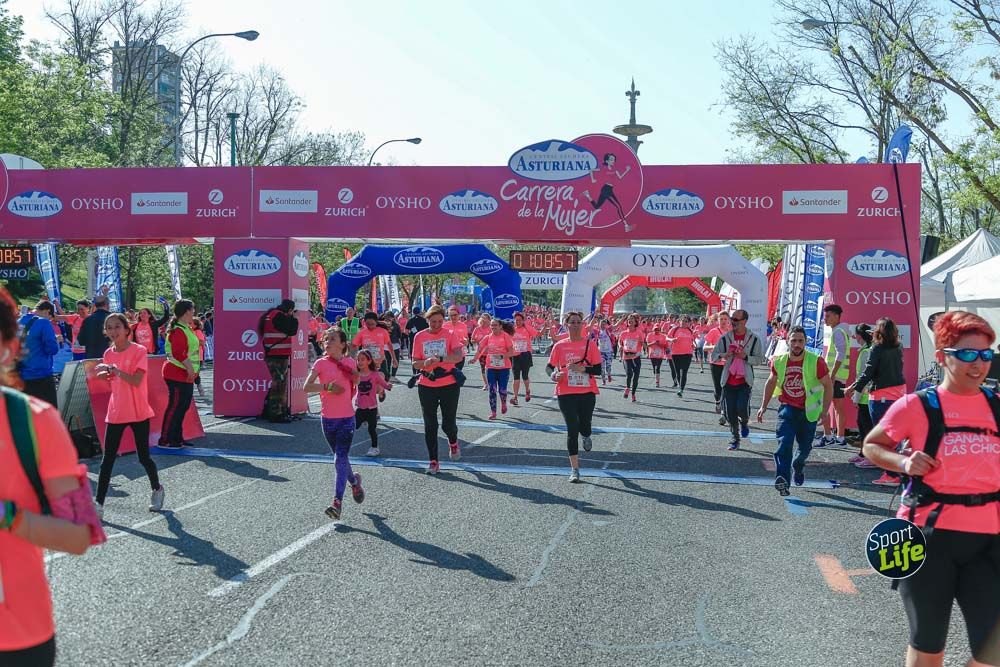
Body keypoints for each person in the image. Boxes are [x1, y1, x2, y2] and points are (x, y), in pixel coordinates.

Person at [862, 311, 1000, 667]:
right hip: (928, 537)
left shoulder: (997, 407)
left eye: (986, 355)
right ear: (942, 357)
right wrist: (905, 463)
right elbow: (872, 445)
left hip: (989, 541)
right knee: (928, 645)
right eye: (968, 354)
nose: (979, 364)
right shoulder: (917, 405)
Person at [0, 287, 99, 667]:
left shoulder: (36, 422)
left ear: (8, 350)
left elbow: (76, 535)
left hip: (15, 637)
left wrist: (8, 516)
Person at [93, 313, 164, 517]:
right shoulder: (108, 354)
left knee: (144, 457)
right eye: (109, 327)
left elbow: (135, 381)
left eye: (117, 327)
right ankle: (99, 504)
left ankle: (157, 489)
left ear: (127, 329)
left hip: (138, 411)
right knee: (107, 460)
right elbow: (112, 380)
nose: (113, 331)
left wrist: (115, 371)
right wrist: (106, 374)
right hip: (116, 411)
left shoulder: (139, 350)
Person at [755, 326, 833, 496]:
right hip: (787, 410)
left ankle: (798, 466)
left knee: (804, 450)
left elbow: (828, 385)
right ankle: (783, 479)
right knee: (784, 445)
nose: (797, 344)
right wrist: (763, 406)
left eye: (800, 341)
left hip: (809, 412)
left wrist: (825, 410)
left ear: (805, 342)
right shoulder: (779, 361)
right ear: (788, 341)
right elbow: (771, 382)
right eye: (794, 340)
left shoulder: (816, 361)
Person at [304, 328, 364, 521]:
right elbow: (306, 387)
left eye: (332, 339)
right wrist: (327, 387)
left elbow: (358, 380)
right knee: (341, 459)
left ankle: (337, 502)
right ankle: (354, 482)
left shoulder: (349, 362)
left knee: (339, 458)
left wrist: (357, 373)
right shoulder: (320, 363)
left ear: (342, 344)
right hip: (327, 419)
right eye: (325, 340)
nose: (327, 342)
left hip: (347, 418)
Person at [846, 317, 908, 486]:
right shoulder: (898, 346)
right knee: (894, 435)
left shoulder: (877, 348)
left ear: (878, 332)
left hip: (881, 395)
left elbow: (868, 372)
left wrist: (854, 388)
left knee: (882, 437)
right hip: (899, 394)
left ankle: (891, 474)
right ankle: (895, 471)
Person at [547, 311, 603, 483]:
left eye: (579, 322)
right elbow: (549, 367)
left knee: (584, 426)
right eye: (573, 322)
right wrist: (553, 375)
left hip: (586, 392)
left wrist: (583, 369)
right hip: (565, 392)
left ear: (583, 325)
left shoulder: (590, 344)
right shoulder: (560, 346)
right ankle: (575, 469)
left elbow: (598, 370)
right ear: (566, 324)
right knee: (572, 429)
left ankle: (586, 435)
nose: (576, 324)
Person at [411, 305, 466, 473]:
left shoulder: (450, 334)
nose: (436, 325)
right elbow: (415, 362)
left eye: (440, 321)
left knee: (448, 424)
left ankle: (453, 442)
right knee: (430, 425)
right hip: (427, 384)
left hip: (448, 383)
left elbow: (458, 356)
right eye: (433, 321)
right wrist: (425, 363)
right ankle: (433, 461)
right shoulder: (419, 336)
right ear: (427, 320)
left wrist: (441, 358)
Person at [711, 309, 765, 451]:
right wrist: (726, 354)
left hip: (744, 381)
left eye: (736, 320)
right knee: (729, 412)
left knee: (741, 408)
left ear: (744, 321)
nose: (732, 322)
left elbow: (760, 359)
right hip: (728, 380)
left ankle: (745, 423)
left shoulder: (753, 339)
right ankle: (735, 438)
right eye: (731, 319)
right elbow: (714, 356)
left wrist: (745, 356)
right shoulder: (725, 338)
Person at [159, 300, 201, 449]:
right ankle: (165, 439)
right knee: (175, 406)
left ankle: (177, 438)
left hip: (185, 373)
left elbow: (190, 352)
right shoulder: (178, 330)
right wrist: (190, 369)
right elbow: (179, 353)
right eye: (193, 310)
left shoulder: (185, 328)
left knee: (182, 407)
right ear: (187, 311)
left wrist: (193, 371)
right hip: (176, 372)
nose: (194, 312)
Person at [819, 304, 853, 447]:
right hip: (839, 376)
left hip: (834, 376)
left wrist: (831, 376)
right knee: (838, 407)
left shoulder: (838, 331)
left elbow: (840, 353)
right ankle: (839, 438)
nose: (824, 319)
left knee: (824, 405)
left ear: (836, 316)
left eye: (827, 316)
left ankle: (828, 437)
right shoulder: (841, 330)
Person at [259, 299, 298, 423]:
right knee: (279, 384)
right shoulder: (279, 316)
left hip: (274, 354)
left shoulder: (271, 315)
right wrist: (294, 318)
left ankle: (270, 409)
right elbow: (292, 330)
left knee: (278, 383)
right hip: (277, 355)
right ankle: (276, 413)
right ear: (290, 310)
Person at [16, 301, 60, 407]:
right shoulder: (44, 322)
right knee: (48, 416)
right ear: (48, 312)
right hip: (41, 376)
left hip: (21, 376)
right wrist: (56, 340)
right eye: (50, 317)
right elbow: (52, 349)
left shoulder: (18, 321)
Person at [475, 318, 516, 420]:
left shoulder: (505, 336)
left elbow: (511, 352)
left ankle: (503, 403)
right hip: (491, 367)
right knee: (492, 390)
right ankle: (493, 412)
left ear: (500, 326)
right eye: (492, 325)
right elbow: (480, 348)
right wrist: (474, 358)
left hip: (504, 367)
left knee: (502, 390)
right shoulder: (488, 337)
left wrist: (502, 356)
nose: (493, 327)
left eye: (495, 325)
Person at [354, 350, 392, 457]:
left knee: (372, 429)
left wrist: (388, 386)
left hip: (372, 408)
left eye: (363, 359)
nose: (360, 362)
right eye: (358, 360)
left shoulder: (374, 375)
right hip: (360, 407)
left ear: (369, 361)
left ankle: (375, 448)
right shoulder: (357, 375)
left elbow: (382, 383)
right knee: (353, 426)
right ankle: (344, 445)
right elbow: (350, 384)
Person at [352, 312, 396, 389]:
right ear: (364, 323)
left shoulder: (383, 331)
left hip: (380, 361)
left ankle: (381, 390)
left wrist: (394, 359)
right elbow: (354, 345)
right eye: (368, 324)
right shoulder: (362, 333)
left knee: (380, 381)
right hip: (366, 363)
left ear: (376, 322)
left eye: (372, 324)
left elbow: (389, 345)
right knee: (367, 385)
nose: (370, 326)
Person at [847, 324, 874, 447]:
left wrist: (856, 397)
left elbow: (864, 377)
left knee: (866, 426)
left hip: (865, 397)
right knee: (863, 424)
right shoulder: (867, 350)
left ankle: (866, 454)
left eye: (856, 334)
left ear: (859, 336)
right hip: (865, 395)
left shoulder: (866, 352)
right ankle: (864, 453)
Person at [705, 312, 732, 425]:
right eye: (721, 319)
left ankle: (723, 413)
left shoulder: (732, 333)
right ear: (717, 320)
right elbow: (705, 347)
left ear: (729, 320)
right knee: (718, 387)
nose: (723, 321)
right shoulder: (714, 332)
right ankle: (718, 402)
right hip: (715, 362)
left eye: (725, 319)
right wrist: (713, 346)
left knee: (726, 387)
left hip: (728, 363)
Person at [510, 312, 538, 404]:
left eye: (519, 320)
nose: (517, 322)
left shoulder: (527, 328)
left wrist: (546, 327)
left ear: (523, 321)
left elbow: (537, 334)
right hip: (515, 356)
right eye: (516, 320)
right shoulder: (512, 329)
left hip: (526, 355)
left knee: (525, 377)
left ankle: (527, 391)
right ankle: (515, 397)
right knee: (516, 377)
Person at [618, 313, 644, 402]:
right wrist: (620, 346)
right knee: (629, 374)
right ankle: (627, 388)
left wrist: (641, 342)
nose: (630, 320)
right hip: (626, 356)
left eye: (632, 318)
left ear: (635, 322)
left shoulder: (639, 332)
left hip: (636, 356)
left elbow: (645, 345)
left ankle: (633, 394)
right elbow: (620, 342)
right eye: (629, 319)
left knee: (636, 376)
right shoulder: (623, 333)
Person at [77, 294, 112, 360]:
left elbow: (81, 341)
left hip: (91, 358)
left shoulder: (87, 320)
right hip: (110, 358)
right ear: (107, 304)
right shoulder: (113, 319)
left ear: (95, 305)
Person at [667, 315, 696, 397]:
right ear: (679, 321)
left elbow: (692, 340)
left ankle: (681, 389)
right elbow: (667, 338)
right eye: (682, 321)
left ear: (689, 323)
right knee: (678, 372)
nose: (683, 323)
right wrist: (671, 340)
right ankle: (680, 386)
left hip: (688, 354)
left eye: (686, 321)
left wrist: (693, 345)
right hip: (676, 354)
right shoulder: (674, 329)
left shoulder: (690, 331)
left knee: (684, 371)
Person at [645, 323, 668, 388]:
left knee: (657, 368)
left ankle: (657, 382)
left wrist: (659, 344)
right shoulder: (649, 335)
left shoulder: (663, 336)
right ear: (653, 329)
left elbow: (665, 346)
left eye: (658, 329)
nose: (657, 331)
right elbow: (647, 345)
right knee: (654, 368)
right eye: (655, 329)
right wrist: (654, 343)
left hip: (660, 354)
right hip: (652, 354)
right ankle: (656, 376)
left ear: (660, 329)